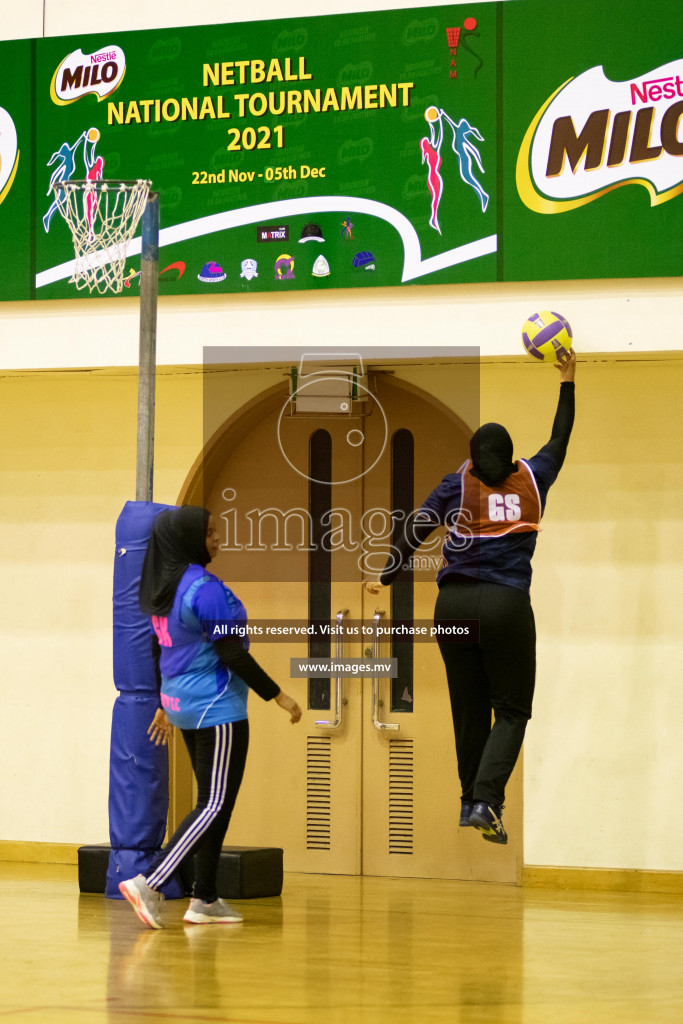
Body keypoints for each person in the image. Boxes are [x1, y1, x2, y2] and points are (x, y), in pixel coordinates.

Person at [366, 350, 576, 844]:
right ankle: (486, 800)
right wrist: (567, 380)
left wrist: (387, 575)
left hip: (454, 605)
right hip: (504, 605)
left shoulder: (456, 482)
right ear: (509, 455)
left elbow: (416, 527)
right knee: (512, 710)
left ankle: (467, 802)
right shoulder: (533, 477)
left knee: (468, 707)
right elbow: (560, 437)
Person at [119, 505, 302, 929]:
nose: (218, 540)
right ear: (188, 540)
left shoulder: (162, 588)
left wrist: (165, 703)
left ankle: (204, 898)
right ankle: (151, 882)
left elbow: (158, 649)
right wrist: (279, 695)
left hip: (183, 705)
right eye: (211, 534)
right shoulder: (204, 588)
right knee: (214, 803)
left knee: (213, 805)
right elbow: (231, 651)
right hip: (216, 708)